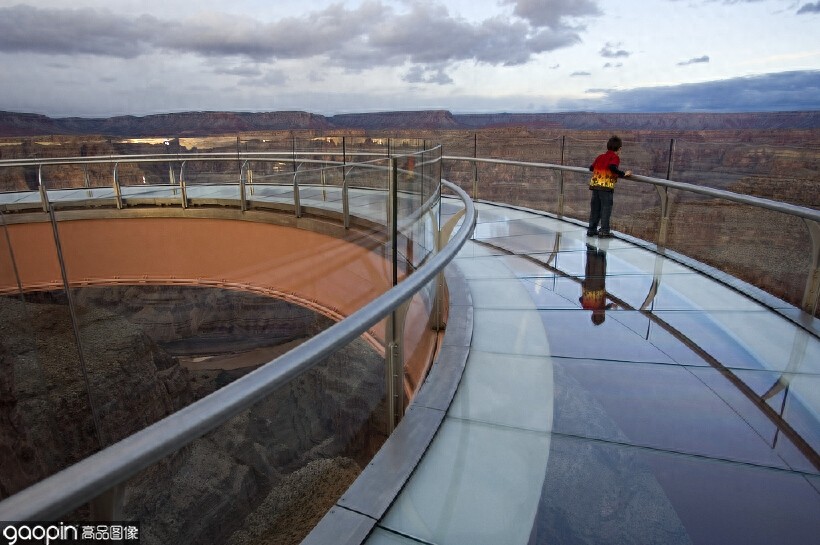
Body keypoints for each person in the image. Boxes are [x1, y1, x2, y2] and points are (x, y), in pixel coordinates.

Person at [587, 135, 632, 238]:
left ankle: (591, 230)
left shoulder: (600, 157)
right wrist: (623, 173)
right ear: (619, 149)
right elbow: (612, 167)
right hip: (606, 187)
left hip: (595, 186)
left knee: (595, 209)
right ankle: (604, 231)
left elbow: (591, 168)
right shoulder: (615, 157)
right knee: (606, 209)